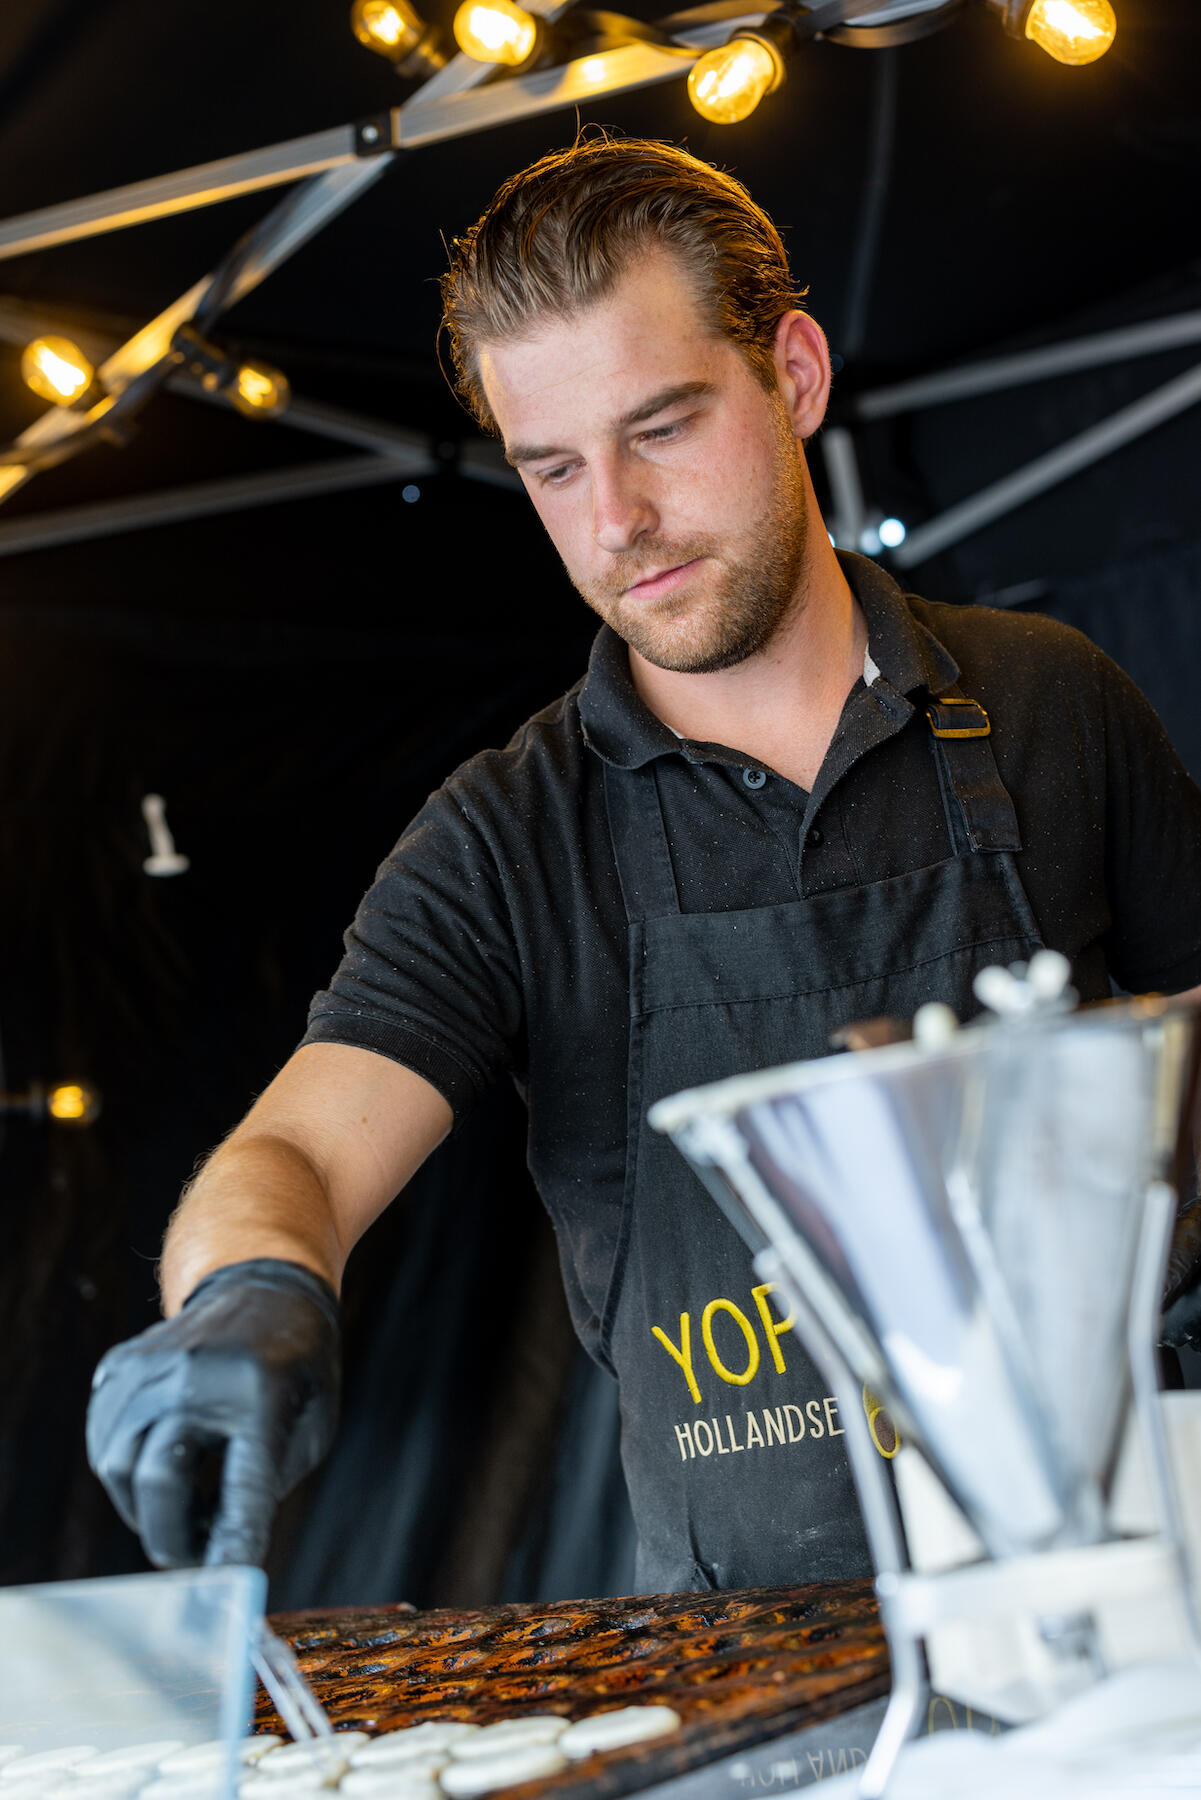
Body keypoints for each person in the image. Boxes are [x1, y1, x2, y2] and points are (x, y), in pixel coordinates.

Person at [87, 135, 1201, 1593]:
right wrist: (244, 1295)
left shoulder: (1050, 701)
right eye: (553, 467)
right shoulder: (507, 839)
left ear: (791, 376)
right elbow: (296, 1148)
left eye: (660, 427)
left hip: (1126, 1584)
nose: (613, 521)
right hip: (756, 1655)